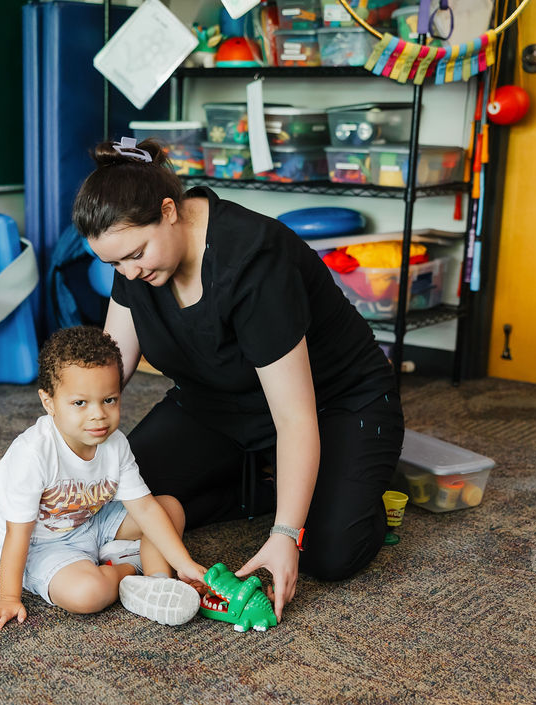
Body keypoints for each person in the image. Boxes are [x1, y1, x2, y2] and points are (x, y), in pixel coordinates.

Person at [72, 137, 406, 622]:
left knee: (329, 552)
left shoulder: (254, 260)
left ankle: (355, 475)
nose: (128, 271)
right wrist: (58, 444)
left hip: (335, 403)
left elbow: (294, 415)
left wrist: (286, 534)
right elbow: (110, 372)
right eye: (114, 264)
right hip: (218, 404)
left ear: (169, 210)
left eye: (135, 255)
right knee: (119, 494)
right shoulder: (136, 258)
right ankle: (262, 481)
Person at [0, 325, 206, 630]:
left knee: (169, 507)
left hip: (94, 521)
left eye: (109, 400)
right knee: (87, 594)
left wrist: (183, 565)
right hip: (43, 544)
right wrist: (8, 597)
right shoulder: (32, 454)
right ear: (49, 402)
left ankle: (157, 581)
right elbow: (18, 535)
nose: (98, 415)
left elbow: (145, 509)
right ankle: (124, 573)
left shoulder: (115, 443)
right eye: (80, 403)